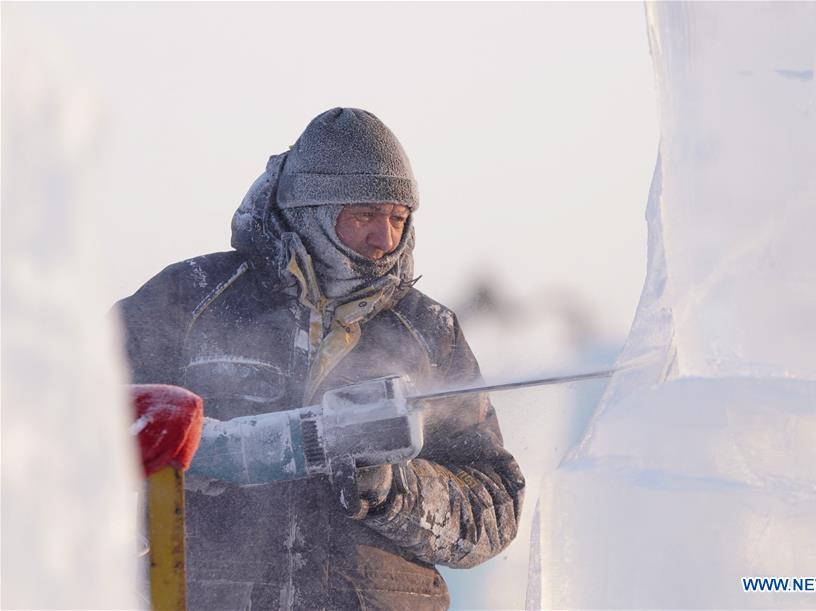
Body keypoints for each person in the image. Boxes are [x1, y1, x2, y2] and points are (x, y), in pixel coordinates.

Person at [115, 107, 525, 610]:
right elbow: (68, 421)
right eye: (364, 215)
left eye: (398, 217)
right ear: (310, 211)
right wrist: (208, 452)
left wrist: (393, 489)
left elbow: (495, 511)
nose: (386, 238)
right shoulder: (190, 300)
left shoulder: (429, 333)